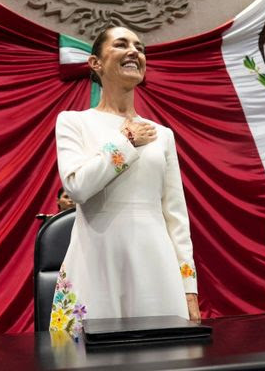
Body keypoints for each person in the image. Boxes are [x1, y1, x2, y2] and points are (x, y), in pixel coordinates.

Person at [50, 26, 199, 336]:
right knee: (84, 357)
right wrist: (126, 142)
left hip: (155, 264)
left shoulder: (163, 135)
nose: (135, 51)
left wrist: (189, 287)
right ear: (95, 63)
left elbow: (176, 217)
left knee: (162, 357)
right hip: (94, 261)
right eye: (121, 45)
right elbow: (77, 187)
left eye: (140, 47)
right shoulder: (73, 122)